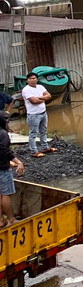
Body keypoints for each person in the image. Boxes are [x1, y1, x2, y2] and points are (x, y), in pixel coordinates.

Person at [0, 93, 24, 226]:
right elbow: (3, 150)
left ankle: (1, 220)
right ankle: (11, 219)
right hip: (2, 168)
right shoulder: (3, 134)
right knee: (6, 194)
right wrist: (17, 161)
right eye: (6, 120)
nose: (7, 121)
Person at [21, 72, 56, 158]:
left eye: (34, 78)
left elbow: (49, 95)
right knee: (33, 133)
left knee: (43, 131)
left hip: (43, 112)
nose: (32, 80)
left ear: (37, 79)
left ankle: (45, 147)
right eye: (30, 79)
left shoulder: (40, 87)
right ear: (27, 80)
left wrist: (39, 98)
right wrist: (43, 99)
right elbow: (34, 101)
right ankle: (34, 151)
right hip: (33, 115)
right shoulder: (26, 90)